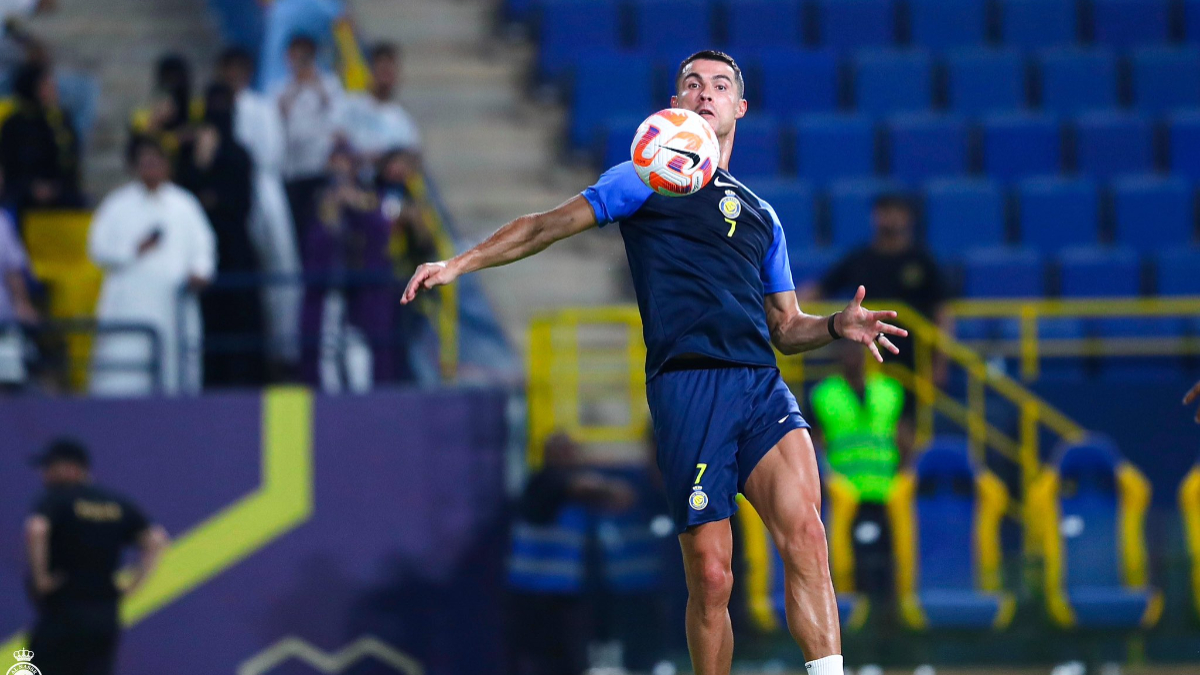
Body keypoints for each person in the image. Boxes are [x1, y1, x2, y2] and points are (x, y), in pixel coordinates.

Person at [404, 50, 907, 675]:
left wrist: (835, 325)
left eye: (720, 86)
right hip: (687, 387)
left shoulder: (760, 214)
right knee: (713, 574)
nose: (704, 93)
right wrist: (458, 263)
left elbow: (785, 327)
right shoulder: (644, 179)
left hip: (759, 384)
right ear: (675, 105)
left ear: (738, 108)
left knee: (806, 536)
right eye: (691, 84)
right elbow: (545, 226)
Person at [24, 437, 169, 675]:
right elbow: (157, 538)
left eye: (49, 467)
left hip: (64, 608)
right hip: (104, 614)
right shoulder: (116, 503)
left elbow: (36, 529)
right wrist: (136, 584)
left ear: (70, 468)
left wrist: (41, 578)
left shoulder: (59, 498)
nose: (45, 475)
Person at [88, 136, 216, 396]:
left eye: (156, 162)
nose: (151, 168)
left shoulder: (184, 204)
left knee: (175, 373)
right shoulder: (117, 204)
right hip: (128, 303)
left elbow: (204, 247)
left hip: (173, 304)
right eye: (145, 163)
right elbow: (97, 248)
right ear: (134, 167)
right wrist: (133, 250)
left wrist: (200, 272)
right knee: (124, 372)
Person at [507, 433, 636, 675]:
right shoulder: (545, 481)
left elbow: (621, 498)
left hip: (564, 594)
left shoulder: (573, 492)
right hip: (534, 595)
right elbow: (592, 488)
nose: (569, 457)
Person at [215, 46, 303, 373]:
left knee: (282, 266)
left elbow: (273, 151)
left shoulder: (261, 106)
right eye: (229, 69)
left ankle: (284, 350)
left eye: (240, 69)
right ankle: (250, 350)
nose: (235, 75)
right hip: (236, 191)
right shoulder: (217, 108)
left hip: (266, 188)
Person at [799, 194, 949, 381]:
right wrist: (782, 303)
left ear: (908, 217)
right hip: (870, 361)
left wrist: (940, 363)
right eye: (884, 211)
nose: (891, 218)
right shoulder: (859, 259)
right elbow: (821, 288)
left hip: (913, 361)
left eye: (897, 212)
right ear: (874, 216)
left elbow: (942, 313)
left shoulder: (923, 261)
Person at [176, 82, 265, 388]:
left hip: (235, 250)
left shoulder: (239, 153)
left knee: (241, 323)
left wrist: (214, 197)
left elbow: (241, 202)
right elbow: (187, 199)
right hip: (201, 254)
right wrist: (201, 162)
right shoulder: (190, 154)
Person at [299, 141, 394, 391]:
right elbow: (313, 242)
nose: (339, 171)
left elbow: (381, 232)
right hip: (330, 287)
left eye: (345, 164)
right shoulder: (319, 199)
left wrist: (355, 204)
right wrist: (330, 214)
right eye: (335, 164)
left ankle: (364, 396)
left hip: (362, 288)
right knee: (326, 346)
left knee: (360, 347)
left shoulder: (369, 197)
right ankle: (327, 395)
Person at [273, 33, 346, 239]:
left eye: (304, 55)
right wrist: (296, 89)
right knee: (297, 229)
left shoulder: (329, 84)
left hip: (322, 168)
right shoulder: (280, 89)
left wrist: (315, 86)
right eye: (294, 55)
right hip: (293, 169)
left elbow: (338, 121)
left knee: (322, 229)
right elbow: (278, 124)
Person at [0, 61, 81, 215]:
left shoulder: (60, 121)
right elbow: (10, 166)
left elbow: (70, 163)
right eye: (45, 85)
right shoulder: (13, 125)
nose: (53, 89)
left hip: (60, 195)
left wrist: (54, 188)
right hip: (22, 197)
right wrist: (31, 188)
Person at [342, 42, 420, 163]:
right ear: (371, 70)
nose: (385, 77)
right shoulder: (350, 104)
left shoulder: (402, 119)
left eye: (389, 71)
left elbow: (412, 154)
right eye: (382, 70)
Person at [257, 0, 346, 91]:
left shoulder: (319, 5)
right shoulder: (279, 9)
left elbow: (341, 21)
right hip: (277, 86)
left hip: (308, 88)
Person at [130, 54, 199, 162]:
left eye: (176, 77)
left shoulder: (196, 108)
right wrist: (156, 119)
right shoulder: (143, 114)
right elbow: (140, 144)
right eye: (168, 78)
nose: (173, 83)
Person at [0, 194, 35, 390]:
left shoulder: (2, 221)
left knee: (6, 384)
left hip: (2, 322)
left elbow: (13, 268)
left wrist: (23, 303)